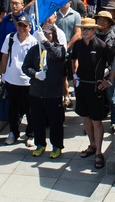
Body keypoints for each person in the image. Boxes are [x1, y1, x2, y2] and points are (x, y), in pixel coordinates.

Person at [70, 17, 113, 170]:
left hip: (96, 88)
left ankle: (99, 153)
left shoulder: (102, 46)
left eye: (87, 29)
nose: (84, 31)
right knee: (85, 118)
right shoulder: (78, 44)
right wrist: (74, 75)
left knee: (97, 121)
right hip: (82, 86)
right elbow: (73, 59)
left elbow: (114, 64)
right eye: (82, 29)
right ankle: (92, 145)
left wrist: (108, 80)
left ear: (94, 30)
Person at [23, 21, 68, 158]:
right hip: (36, 91)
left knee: (55, 121)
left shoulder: (59, 48)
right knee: (37, 120)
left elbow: (58, 56)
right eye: (43, 34)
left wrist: (46, 43)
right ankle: (40, 143)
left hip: (53, 92)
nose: (46, 35)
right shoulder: (34, 50)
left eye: (48, 33)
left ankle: (57, 145)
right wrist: (35, 74)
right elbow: (25, 67)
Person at [0, 14, 38, 145]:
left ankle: (31, 134)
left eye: (24, 26)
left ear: (30, 27)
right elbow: (4, 56)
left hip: (28, 82)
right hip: (12, 80)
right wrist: (3, 74)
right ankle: (13, 132)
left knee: (30, 109)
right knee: (13, 109)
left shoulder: (34, 41)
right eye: (19, 25)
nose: (21, 28)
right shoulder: (9, 38)